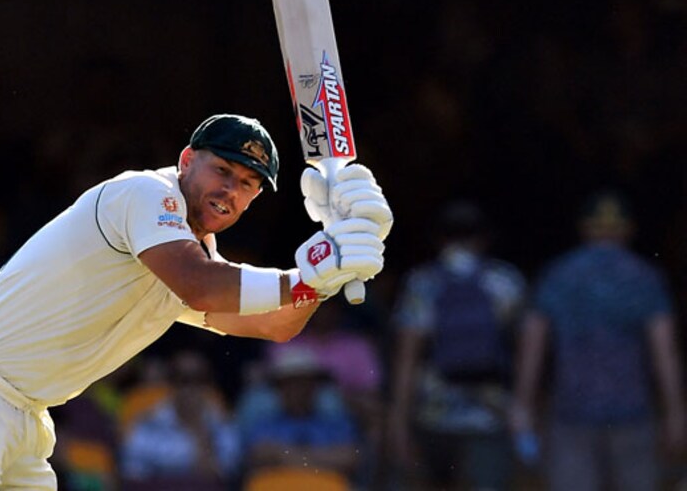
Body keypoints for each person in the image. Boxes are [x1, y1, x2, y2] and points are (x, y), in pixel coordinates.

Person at [0, 114, 393, 490]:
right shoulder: (144, 196)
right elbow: (202, 285)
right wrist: (303, 273)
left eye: (247, 185)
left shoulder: (190, 255)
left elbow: (272, 326)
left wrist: (327, 277)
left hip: (27, 414)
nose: (230, 191)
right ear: (185, 161)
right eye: (222, 170)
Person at [510, 190, 685, 491]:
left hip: (572, 411)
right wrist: (675, 412)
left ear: (584, 227)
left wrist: (522, 405)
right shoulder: (644, 277)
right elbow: (664, 351)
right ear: (628, 228)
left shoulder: (559, 273)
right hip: (631, 412)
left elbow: (532, 346)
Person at [386, 200, 526, 490]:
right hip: (491, 411)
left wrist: (399, 419)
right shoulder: (506, 281)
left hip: (434, 412)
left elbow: (407, 357)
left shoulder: (423, 282)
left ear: (439, 238)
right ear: (484, 237)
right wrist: (523, 408)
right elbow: (524, 350)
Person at [120, 348, 240, 489]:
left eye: (198, 379)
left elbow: (219, 480)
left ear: (208, 384)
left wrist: (198, 430)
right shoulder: (148, 422)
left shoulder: (222, 423)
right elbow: (132, 475)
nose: (190, 388)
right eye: (183, 380)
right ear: (171, 384)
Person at [241, 346, 361, 477]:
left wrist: (283, 455)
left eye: (304, 383)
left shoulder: (335, 424)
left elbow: (350, 458)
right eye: (290, 384)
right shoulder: (264, 425)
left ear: (315, 386)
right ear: (278, 389)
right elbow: (258, 455)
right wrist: (322, 458)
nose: (298, 390)